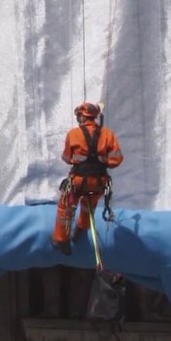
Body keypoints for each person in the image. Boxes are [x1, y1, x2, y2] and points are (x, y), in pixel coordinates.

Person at [51, 102, 123, 255]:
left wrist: (80, 159)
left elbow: (66, 158)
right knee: (88, 206)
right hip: (98, 182)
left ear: (82, 117)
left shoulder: (73, 134)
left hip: (78, 180)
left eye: (78, 117)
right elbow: (117, 160)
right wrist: (101, 161)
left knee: (65, 207)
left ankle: (60, 239)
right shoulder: (108, 134)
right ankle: (80, 230)